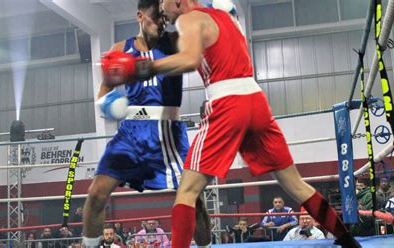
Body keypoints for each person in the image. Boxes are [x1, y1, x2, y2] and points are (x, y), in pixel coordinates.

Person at [100, 0, 361, 247]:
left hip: (227, 103)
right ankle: (346, 238)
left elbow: (189, 59)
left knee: (187, 191)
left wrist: (140, 69)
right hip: (256, 102)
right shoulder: (223, 17)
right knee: (295, 184)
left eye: (164, 3)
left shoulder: (189, 19)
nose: (162, 9)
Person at [82, 1, 210, 247]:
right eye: (156, 17)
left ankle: (206, 246)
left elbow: (198, 47)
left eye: (164, 17)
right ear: (140, 16)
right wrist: (107, 105)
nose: (161, 22)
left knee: (196, 201)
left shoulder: (174, 42)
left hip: (168, 134)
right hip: (131, 133)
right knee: (96, 193)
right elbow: (104, 91)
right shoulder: (121, 49)